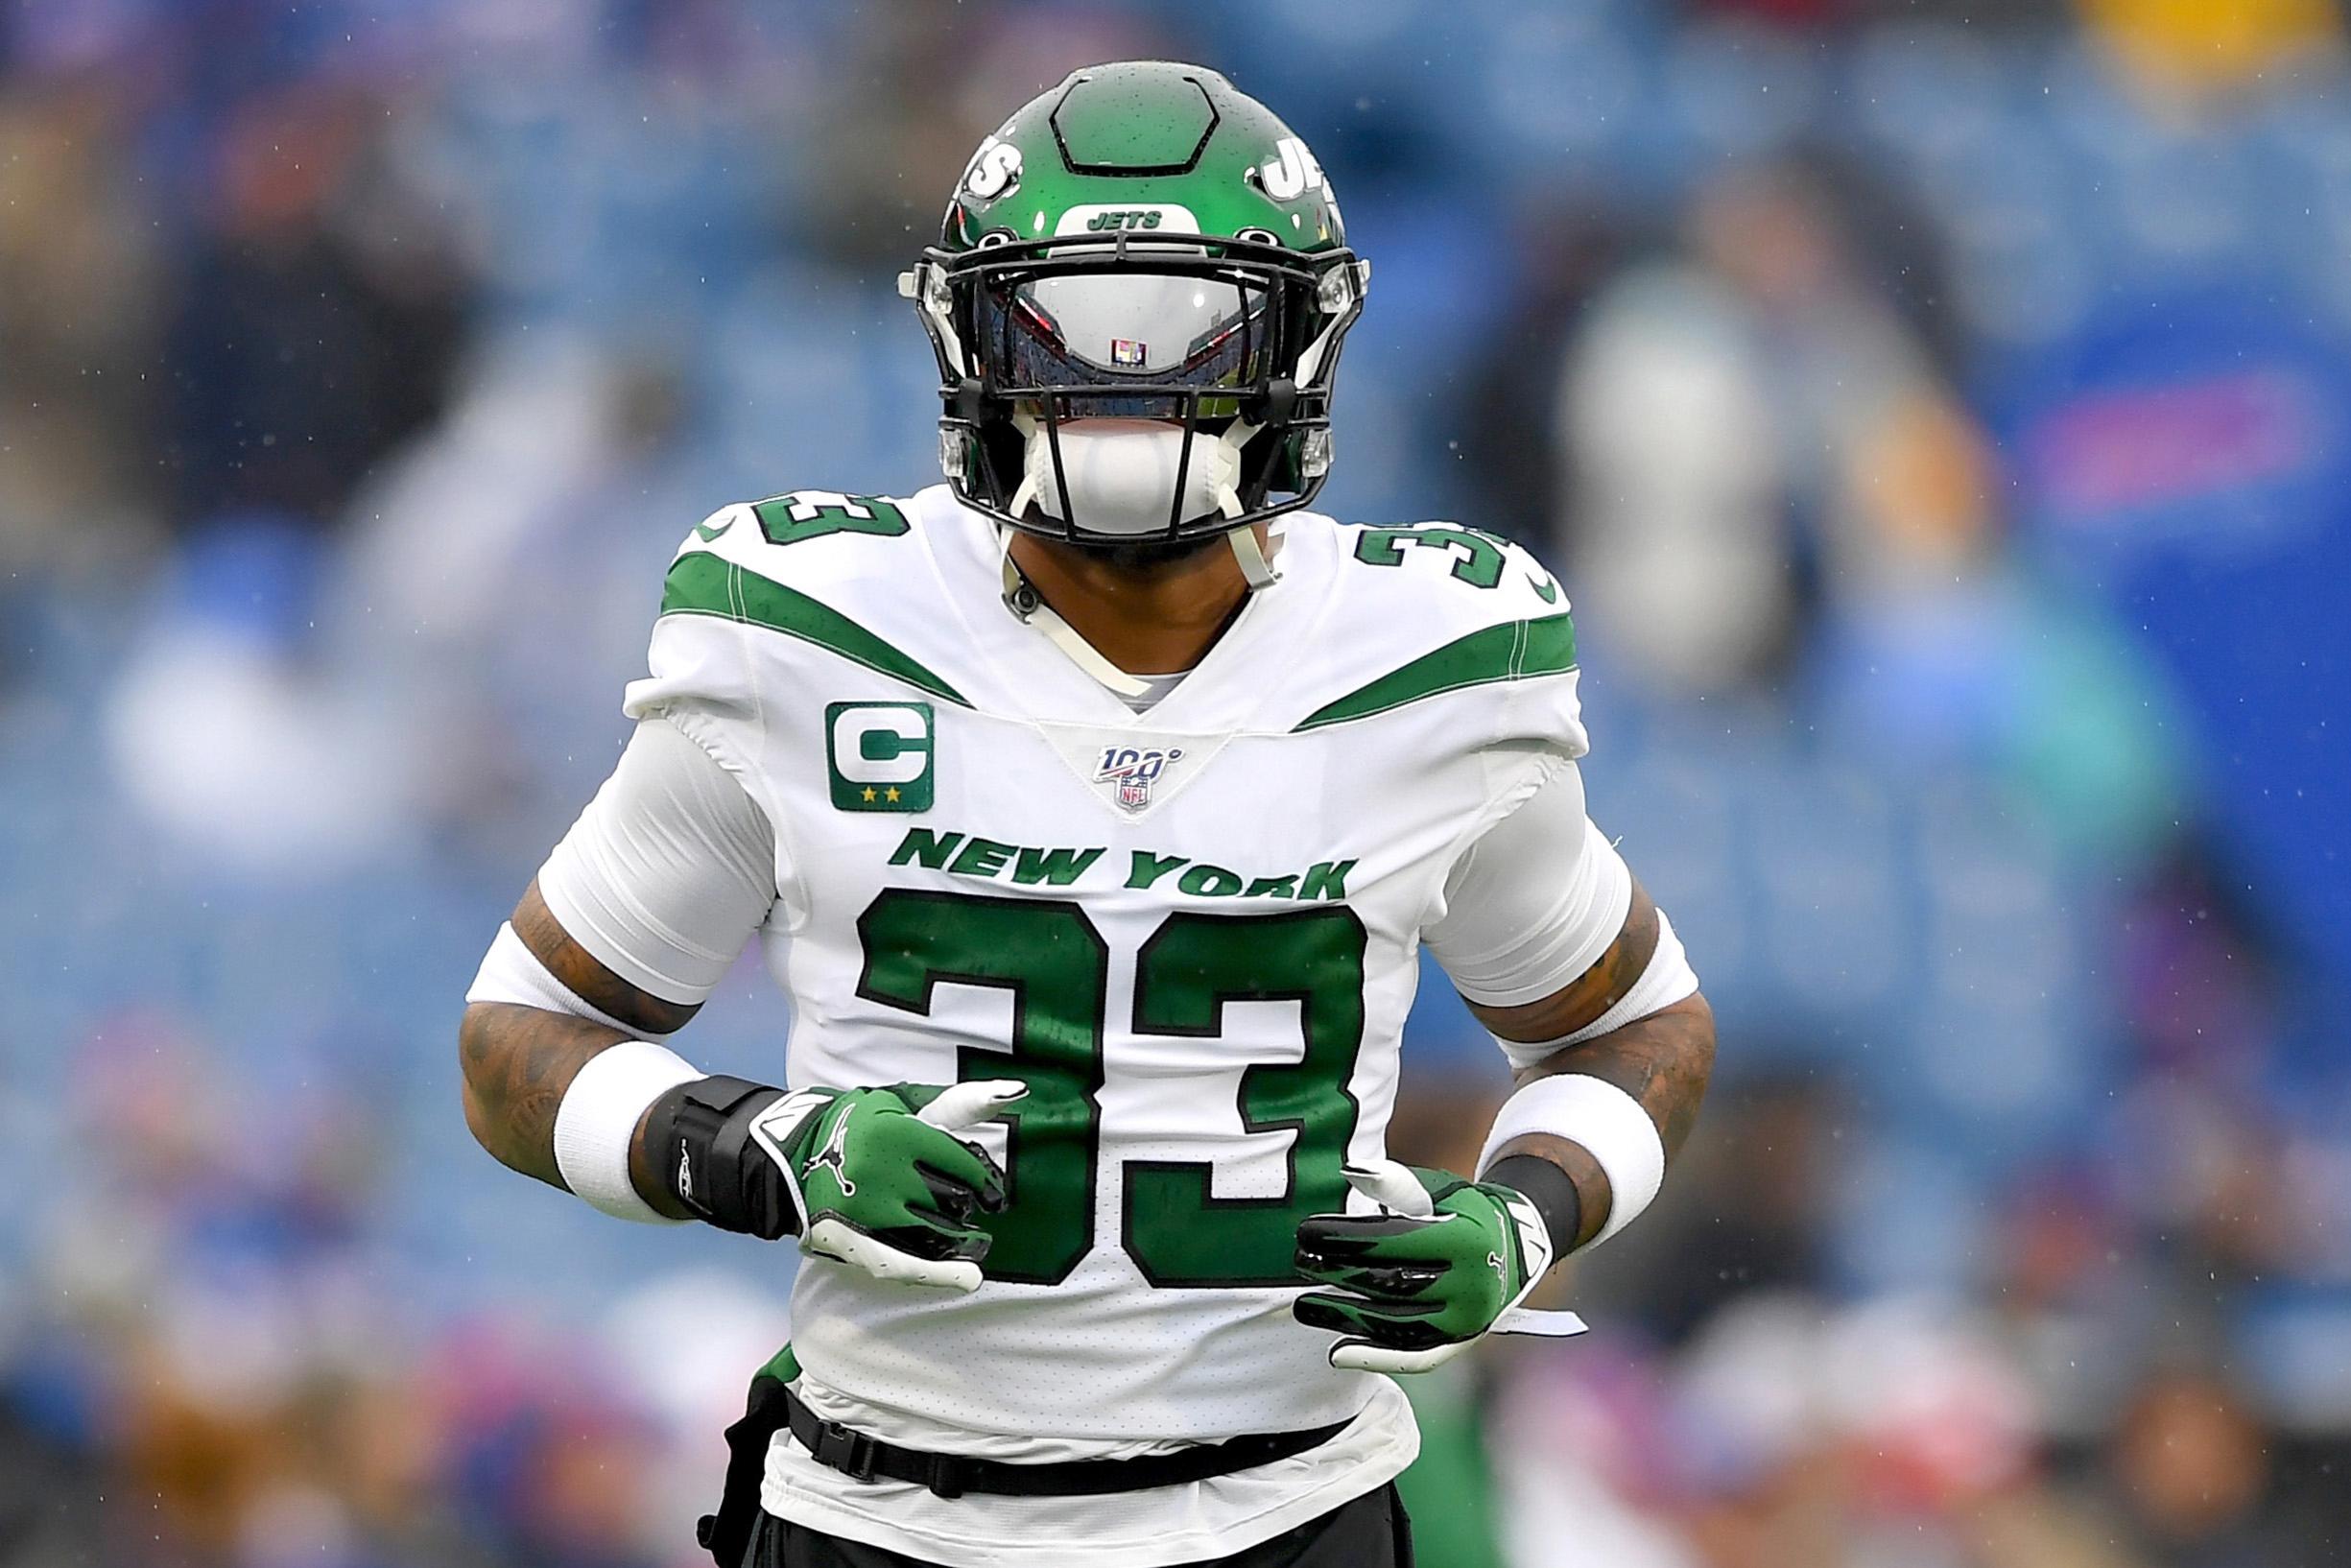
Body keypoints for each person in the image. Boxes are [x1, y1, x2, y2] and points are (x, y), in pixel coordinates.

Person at [458, 61, 1714, 1568]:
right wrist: (754, 1144)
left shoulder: (1432, 659)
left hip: (1288, 1508)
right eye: (1069, 335)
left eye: (1186, 334)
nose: (1122, 389)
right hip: (878, 1512)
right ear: (967, 341)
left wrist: (1518, 1217)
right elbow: (517, 1040)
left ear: (1293, 342)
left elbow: (1633, 1028)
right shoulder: (803, 625)